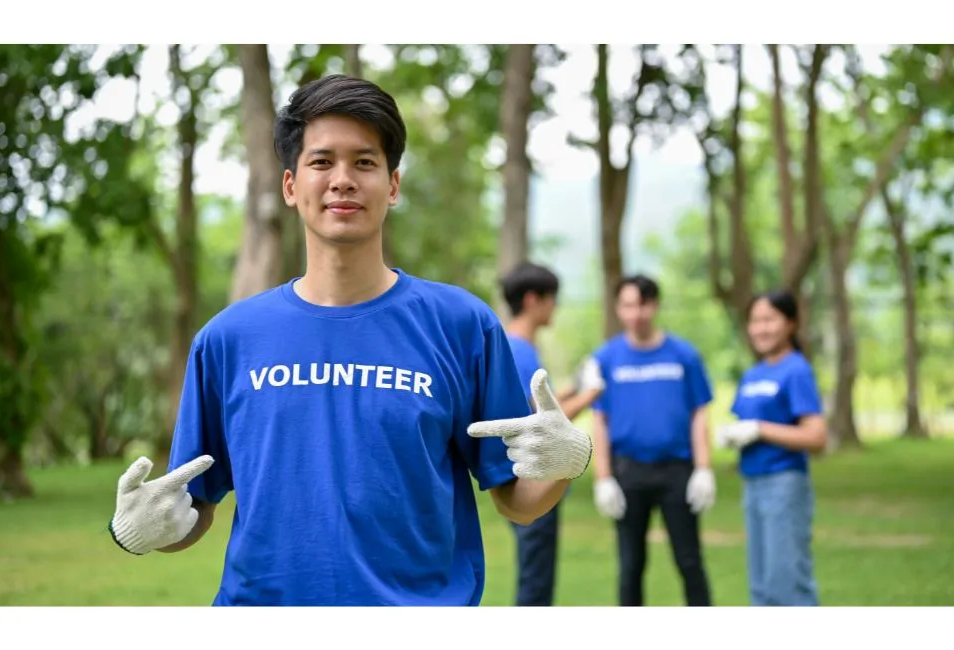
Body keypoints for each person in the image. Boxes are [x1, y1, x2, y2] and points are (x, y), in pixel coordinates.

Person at [105, 74, 594, 607]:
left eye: (364, 162)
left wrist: (571, 459)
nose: (343, 180)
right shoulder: (228, 340)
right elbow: (193, 511)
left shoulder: (461, 326)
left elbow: (517, 501)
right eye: (321, 162)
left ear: (393, 184)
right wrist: (145, 529)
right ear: (291, 186)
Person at [582, 274, 716, 607]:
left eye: (643, 304)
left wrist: (703, 468)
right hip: (628, 472)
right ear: (618, 308)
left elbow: (699, 412)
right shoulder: (606, 358)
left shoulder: (684, 355)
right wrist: (603, 478)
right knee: (631, 565)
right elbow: (600, 419)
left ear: (654, 305)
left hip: (677, 471)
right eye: (628, 305)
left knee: (689, 561)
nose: (636, 313)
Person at [499, 261, 604, 606]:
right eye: (552, 299)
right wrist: (589, 396)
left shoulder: (516, 347)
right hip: (532, 481)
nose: (555, 306)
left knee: (537, 577)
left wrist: (575, 387)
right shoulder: (518, 350)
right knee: (536, 582)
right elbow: (539, 423)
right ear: (532, 300)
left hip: (533, 477)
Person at [716, 289, 827, 607]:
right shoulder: (753, 374)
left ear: (791, 323)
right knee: (762, 589)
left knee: (787, 584)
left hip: (785, 484)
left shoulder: (796, 370)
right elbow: (746, 422)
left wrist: (761, 429)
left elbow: (816, 437)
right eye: (755, 321)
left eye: (769, 319)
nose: (760, 328)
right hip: (752, 484)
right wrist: (734, 434)